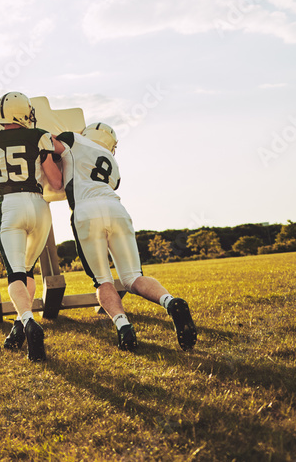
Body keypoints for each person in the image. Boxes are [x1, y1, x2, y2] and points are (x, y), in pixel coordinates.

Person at [41, 123, 197, 352]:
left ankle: (124, 327)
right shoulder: (113, 164)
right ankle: (170, 302)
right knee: (133, 277)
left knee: (103, 280)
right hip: (116, 209)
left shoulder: (73, 140)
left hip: (86, 210)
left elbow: (45, 141)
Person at [0, 92, 56, 361]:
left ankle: (29, 323)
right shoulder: (39, 135)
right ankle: (20, 326)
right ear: (24, 112)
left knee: (16, 276)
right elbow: (54, 181)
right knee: (29, 270)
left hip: (10, 204)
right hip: (39, 205)